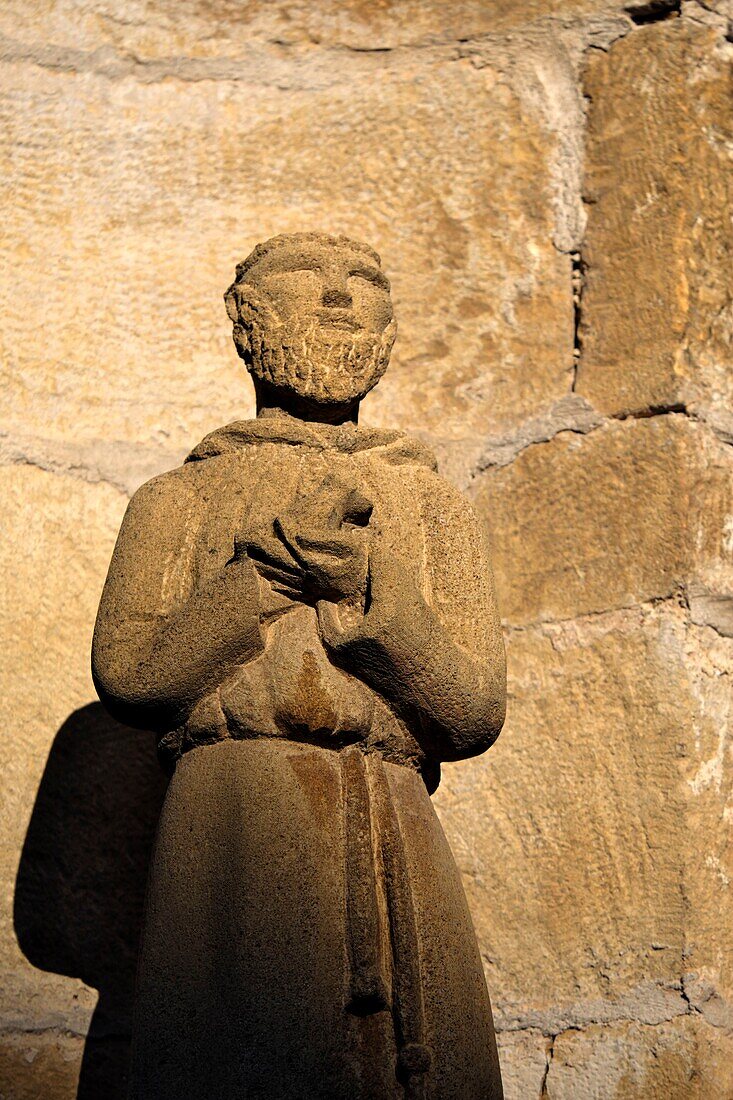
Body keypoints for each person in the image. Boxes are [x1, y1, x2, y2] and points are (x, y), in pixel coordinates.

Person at [93, 232, 506, 1099]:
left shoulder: (431, 504)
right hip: (233, 815)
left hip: (389, 810)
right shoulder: (178, 498)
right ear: (247, 322)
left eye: (363, 282)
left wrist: (370, 594)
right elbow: (131, 674)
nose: (336, 297)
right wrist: (262, 580)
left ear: (389, 332)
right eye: (304, 277)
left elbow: (472, 710)